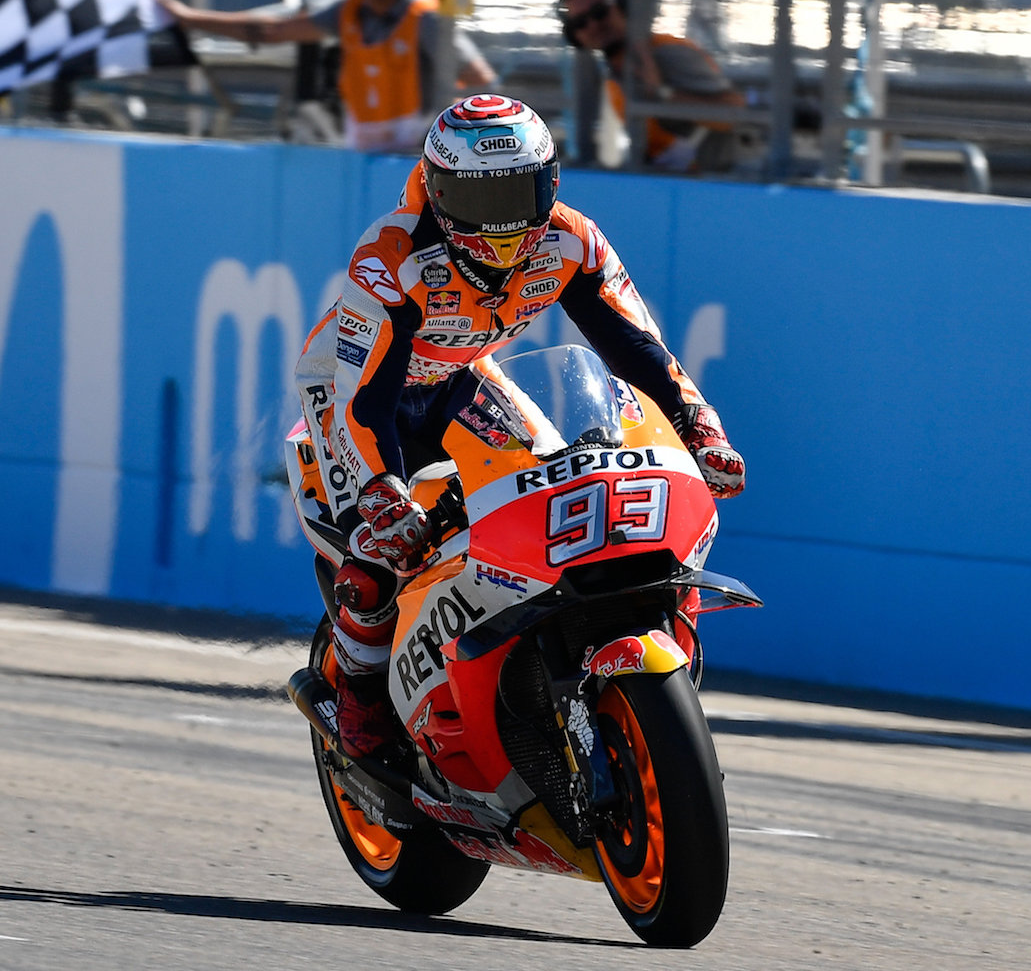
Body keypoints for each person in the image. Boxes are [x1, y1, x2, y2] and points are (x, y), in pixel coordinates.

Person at [292, 93, 746, 757]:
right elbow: (366, 397)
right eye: (479, 197)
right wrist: (382, 489)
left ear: (551, 182)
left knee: (551, 488)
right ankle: (359, 699)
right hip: (352, 393)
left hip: (459, 378)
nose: (501, 220)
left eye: (517, 191)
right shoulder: (392, 255)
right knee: (379, 548)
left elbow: (638, 348)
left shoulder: (573, 240)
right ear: (438, 191)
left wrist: (699, 427)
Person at [155, 0, 497, 153]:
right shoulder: (346, 14)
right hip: (363, 155)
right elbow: (269, 30)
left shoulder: (425, 17)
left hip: (415, 160)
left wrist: (445, 126)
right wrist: (189, 18)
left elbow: (481, 81)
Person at [557, 0, 744, 173]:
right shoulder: (614, 74)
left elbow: (734, 113)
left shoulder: (668, 53)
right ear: (575, 36)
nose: (594, 25)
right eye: (580, 23)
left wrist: (663, 94)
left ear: (622, 6)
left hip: (710, 179)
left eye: (600, 12)